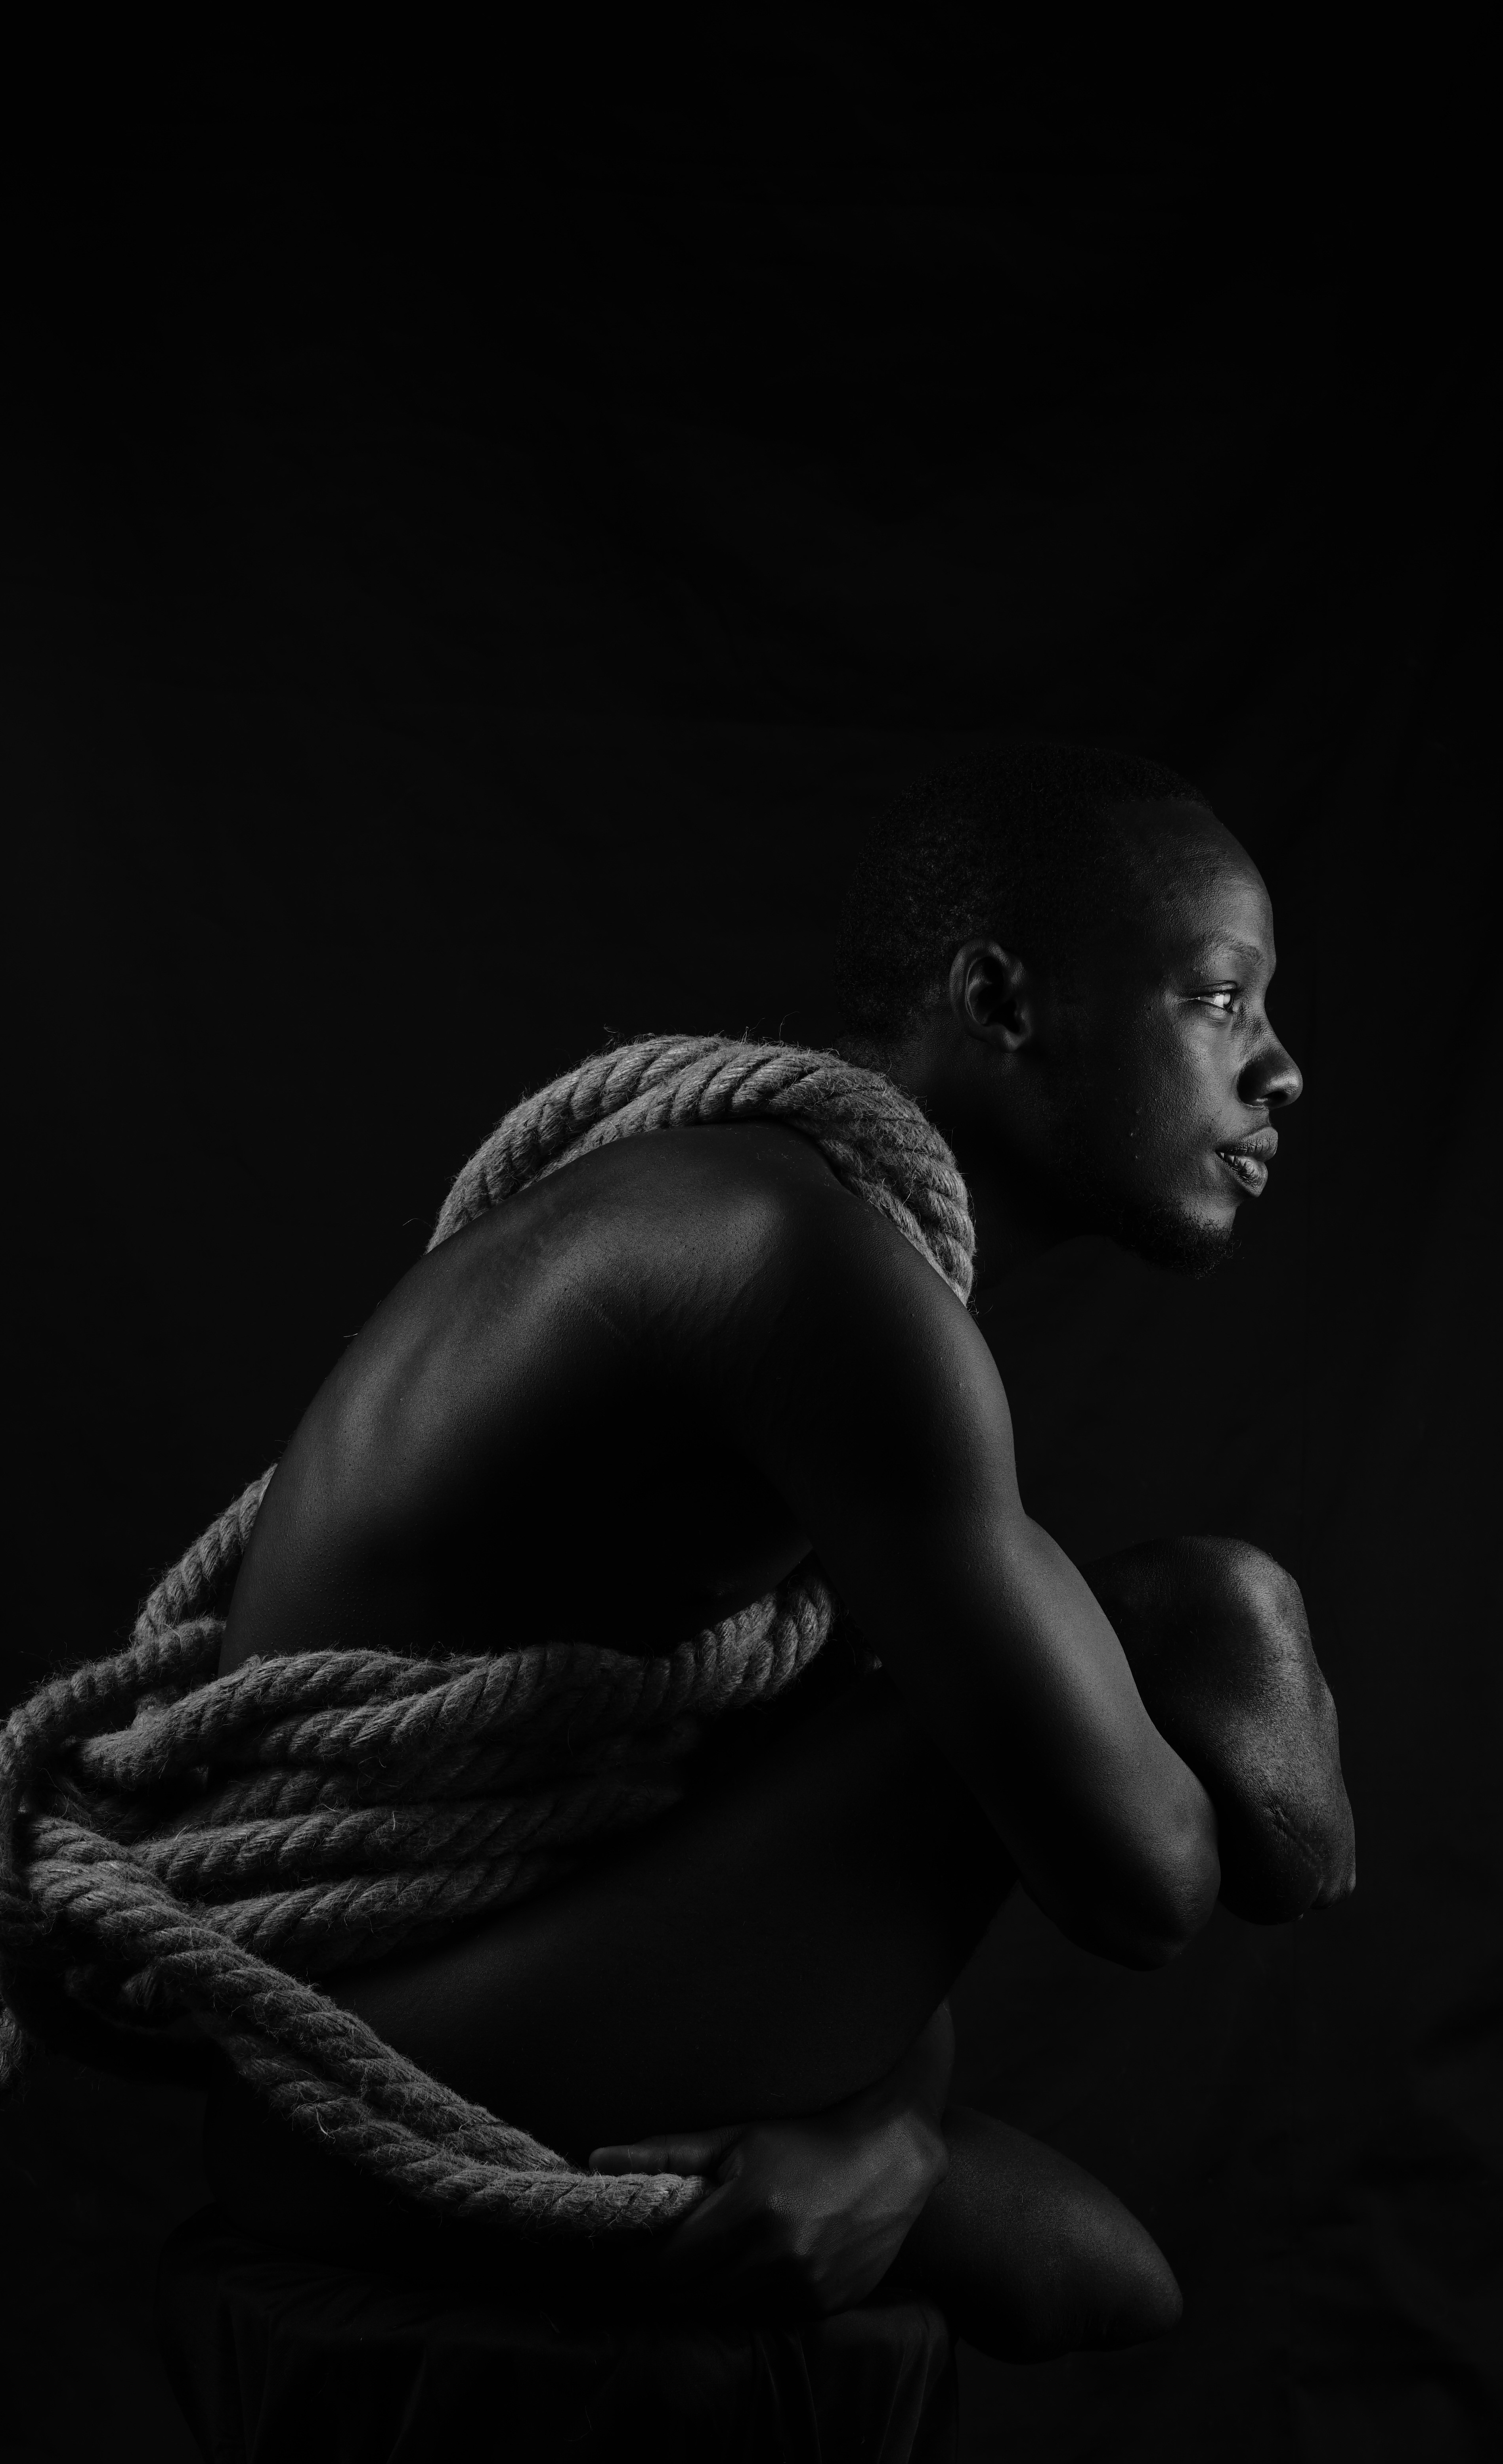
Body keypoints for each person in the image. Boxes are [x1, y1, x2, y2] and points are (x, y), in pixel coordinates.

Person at [203, 743, 1355, 2360]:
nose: (1280, 1068)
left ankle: (888, 2153)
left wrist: (887, 2124)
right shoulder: (792, 1260)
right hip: (338, 2067)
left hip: (481, 1973)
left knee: (1104, 2271)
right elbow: (1150, 1879)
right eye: (1221, 999)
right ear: (1005, 1002)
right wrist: (1210, 1625)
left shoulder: (778, 1222)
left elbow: (800, 1789)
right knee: (1180, 1624)